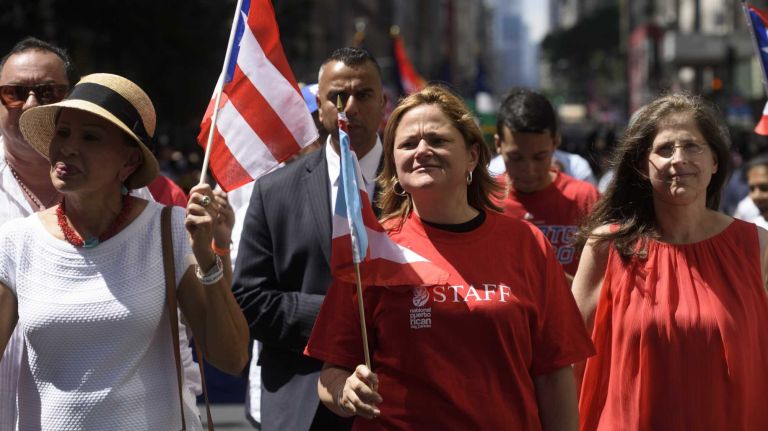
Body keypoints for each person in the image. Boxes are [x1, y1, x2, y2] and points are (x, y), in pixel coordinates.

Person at [305, 85, 594, 430]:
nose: (422, 150)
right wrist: (345, 391)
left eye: (438, 141)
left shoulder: (527, 245)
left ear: (472, 156)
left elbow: (554, 372)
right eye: (408, 143)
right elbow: (330, 376)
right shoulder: (371, 249)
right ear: (394, 165)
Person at [0, 73, 249, 430]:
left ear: (129, 162)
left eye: (90, 137)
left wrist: (208, 259)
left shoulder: (171, 231)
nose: (68, 146)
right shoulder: (16, 242)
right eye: (64, 132)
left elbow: (232, 357)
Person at [573, 93, 768, 430]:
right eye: (664, 149)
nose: (678, 159)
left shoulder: (756, 247)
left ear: (715, 161)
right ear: (642, 165)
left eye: (692, 146)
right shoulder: (608, 246)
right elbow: (569, 358)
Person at [232, 47, 386, 431]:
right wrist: (338, 317)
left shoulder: (418, 188)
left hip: (398, 402)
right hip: (300, 404)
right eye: (337, 96)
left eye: (363, 95)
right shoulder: (274, 192)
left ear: (384, 103)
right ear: (319, 105)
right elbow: (248, 300)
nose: (349, 107)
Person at [0, 36, 75, 431]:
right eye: (14, 93)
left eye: (47, 92)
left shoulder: (120, 187)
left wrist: (187, 392)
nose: (30, 105)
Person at [494, 88, 599, 278]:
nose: (529, 169)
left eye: (540, 157)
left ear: (555, 142)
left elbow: (607, 284)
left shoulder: (585, 199)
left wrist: (551, 277)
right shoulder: (484, 200)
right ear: (498, 145)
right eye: (516, 158)